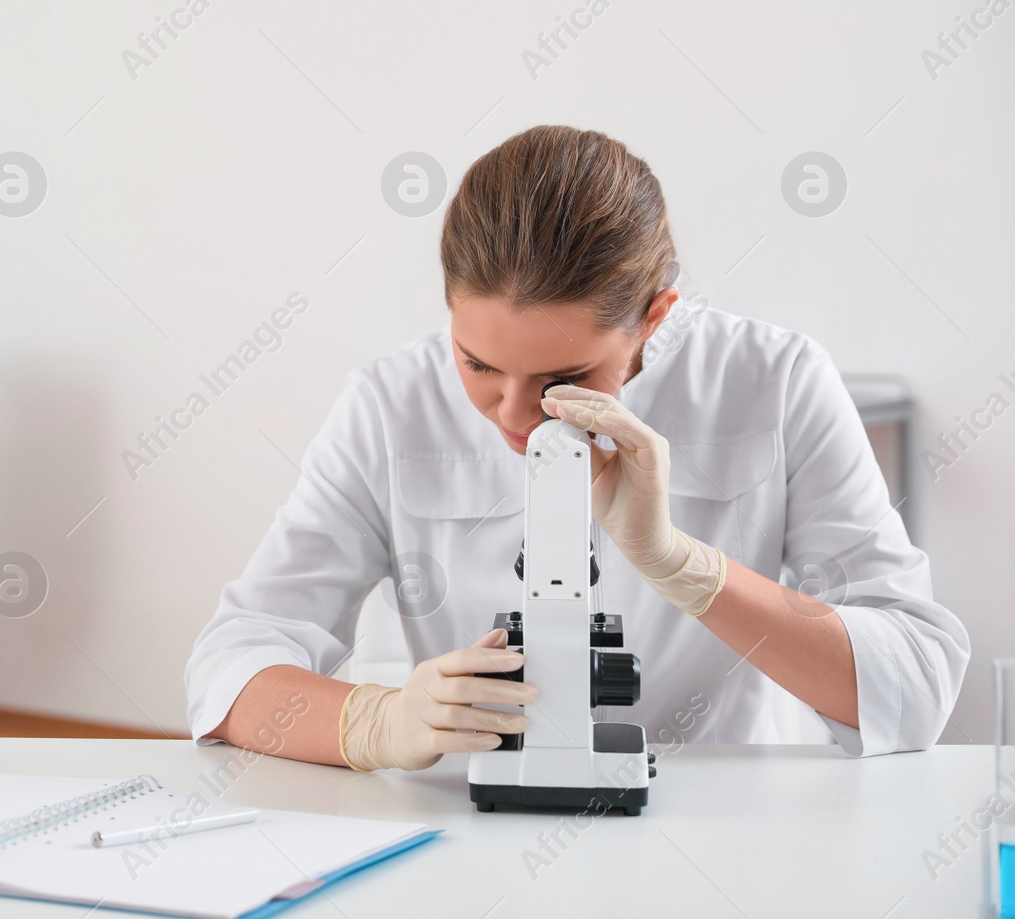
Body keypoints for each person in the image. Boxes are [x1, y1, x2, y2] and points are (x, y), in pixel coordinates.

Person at [184, 125, 970, 771]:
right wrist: (377, 722)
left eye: (564, 375)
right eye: (479, 363)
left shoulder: (777, 381)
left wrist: (684, 567)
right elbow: (230, 666)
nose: (517, 416)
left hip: (727, 831)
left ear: (655, 318)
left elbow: (917, 683)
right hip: (472, 829)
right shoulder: (388, 402)